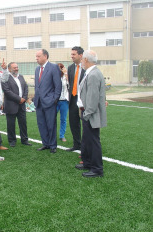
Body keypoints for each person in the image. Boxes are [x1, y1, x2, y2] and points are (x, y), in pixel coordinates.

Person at [75, 50, 107, 178]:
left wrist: (86, 114)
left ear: (86, 60)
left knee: (93, 141)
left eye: (82, 59)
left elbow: (93, 99)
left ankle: (97, 169)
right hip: (87, 113)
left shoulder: (93, 74)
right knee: (87, 140)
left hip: (90, 114)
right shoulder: (92, 72)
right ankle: (87, 162)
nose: (81, 62)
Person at [33, 49, 62, 153]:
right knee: (41, 124)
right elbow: (38, 86)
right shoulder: (37, 69)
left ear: (45, 56)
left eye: (38, 56)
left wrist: (54, 99)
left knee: (51, 124)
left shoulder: (53, 67)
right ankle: (45, 143)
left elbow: (58, 86)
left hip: (50, 102)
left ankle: (53, 145)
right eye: (36, 56)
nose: (36, 58)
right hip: (39, 102)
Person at [1, 62, 32, 147]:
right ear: (9, 69)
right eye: (14, 67)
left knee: (23, 123)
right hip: (11, 105)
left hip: (21, 105)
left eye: (17, 67)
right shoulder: (6, 77)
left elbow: (26, 88)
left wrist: (24, 98)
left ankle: (24, 140)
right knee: (11, 124)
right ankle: (12, 141)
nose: (16, 69)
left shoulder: (21, 76)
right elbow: (7, 91)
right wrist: (19, 99)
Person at [66, 46, 86, 152]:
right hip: (73, 99)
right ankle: (76, 144)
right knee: (74, 123)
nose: (72, 56)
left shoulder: (86, 67)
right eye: (71, 54)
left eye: (74, 54)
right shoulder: (70, 68)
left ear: (80, 55)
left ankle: (86, 145)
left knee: (85, 124)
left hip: (84, 100)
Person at [56, 63, 70, 142]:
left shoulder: (65, 76)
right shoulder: (54, 77)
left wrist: (65, 73)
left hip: (64, 101)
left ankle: (62, 135)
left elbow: (70, 84)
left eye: (60, 68)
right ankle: (52, 134)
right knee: (52, 118)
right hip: (55, 101)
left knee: (63, 119)